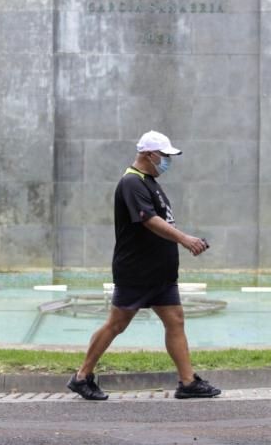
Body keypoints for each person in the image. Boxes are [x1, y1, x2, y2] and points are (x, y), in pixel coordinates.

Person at [67, 130, 221, 401]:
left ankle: (187, 382)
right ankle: (81, 377)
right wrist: (185, 239)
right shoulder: (132, 182)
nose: (167, 162)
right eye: (164, 156)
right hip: (137, 271)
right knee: (116, 324)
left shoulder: (150, 182)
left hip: (159, 272)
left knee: (175, 320)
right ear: (149, 155)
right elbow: (149, 220)